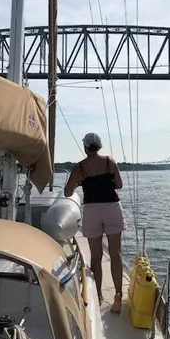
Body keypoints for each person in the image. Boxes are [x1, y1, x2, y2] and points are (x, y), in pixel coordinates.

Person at [64, 132, 125, 313]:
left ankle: (98, 295)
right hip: (112, 208)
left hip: (92, 210)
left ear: (85, 147)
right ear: (99, 146)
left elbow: (68, 192)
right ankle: (118, 296)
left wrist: (80, 182)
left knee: (96, 257)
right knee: (115, 254)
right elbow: (119, 185)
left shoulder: (79, 168)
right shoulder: (109, 162)